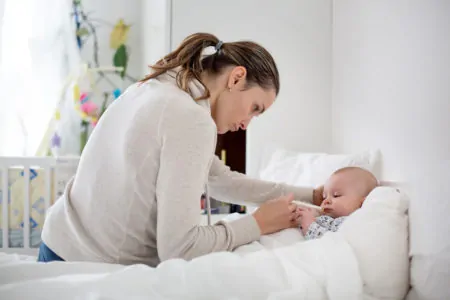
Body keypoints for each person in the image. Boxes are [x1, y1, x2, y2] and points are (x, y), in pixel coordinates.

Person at [39, 33, 323, 266]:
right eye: (254, 109)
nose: (246, 124)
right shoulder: (191, 118)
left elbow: (219, 179)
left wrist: (311, 196)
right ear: (237, 78)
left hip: (59, 242)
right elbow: (180, 247)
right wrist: (258, 223)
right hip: (86, 265)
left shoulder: (160, 85)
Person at [299, 167, 378, 240]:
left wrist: (309, 226)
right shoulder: (331, 219)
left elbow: (331, 243)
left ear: (362, 203)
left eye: (336, 195)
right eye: (324, 197)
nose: (326, 201)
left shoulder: (354, 223)